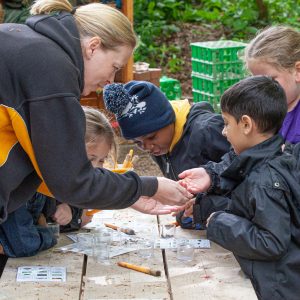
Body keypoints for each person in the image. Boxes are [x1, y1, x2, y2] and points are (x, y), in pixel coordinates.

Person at [0, 0, 192, 226]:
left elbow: (52, 170)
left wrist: (129, 196)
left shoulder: (22, 41)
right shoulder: (52, 70)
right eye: (115, 67)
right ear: (93, 46)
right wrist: (151, 186)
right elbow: (72, 181)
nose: (110, 81)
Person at [180, 75, 300, 300]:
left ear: (246, 124)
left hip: (278, 289)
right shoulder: (271, 157)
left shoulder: (265, 179)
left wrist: (218, 221)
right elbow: (245, 203)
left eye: (226, 123)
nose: (224, 132)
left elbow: (271, 242)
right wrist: (207, 199)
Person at [103, 80, 230, 229]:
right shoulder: (160, 144)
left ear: (168, 119)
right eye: (138, 143)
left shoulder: (208, 130)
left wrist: (206, 206)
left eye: (152, 137)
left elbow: (246, 180)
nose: (147, 147)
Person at [245, 25, 300, 144]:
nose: (261, 87)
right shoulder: (257, 104)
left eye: (270, 79)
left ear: (298, 71)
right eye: (256, 79)